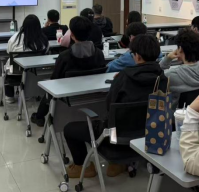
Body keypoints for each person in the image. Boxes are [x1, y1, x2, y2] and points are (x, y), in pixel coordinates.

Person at [63, 34, 166, 179]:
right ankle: (118, 165)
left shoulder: (123, 77)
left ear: (136, 56)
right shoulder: (163, 78)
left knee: (69, 129)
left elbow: (109, 106)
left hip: (114, 138)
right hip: (149, 137)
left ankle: (83, 168)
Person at [31, 16, 106, 127]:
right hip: (95, 100)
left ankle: (39, 116)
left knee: (48, 91)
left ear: (72, 35)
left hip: (68, 101)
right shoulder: (99, 53)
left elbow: (54, 81)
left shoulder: (64, 56)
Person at [160, 29, 199, 108]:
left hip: (180, 115)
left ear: (180, 49)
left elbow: (157, 76)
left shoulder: (170, 75)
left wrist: (167, 59)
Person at [6, 15, 50, 102]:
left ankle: (9, 96)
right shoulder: (44, 40)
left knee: (7, 66)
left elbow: (9, 52)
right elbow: (47, 51)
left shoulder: (14, 39)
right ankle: (32, 91)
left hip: (16, 73)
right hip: (37, 73)